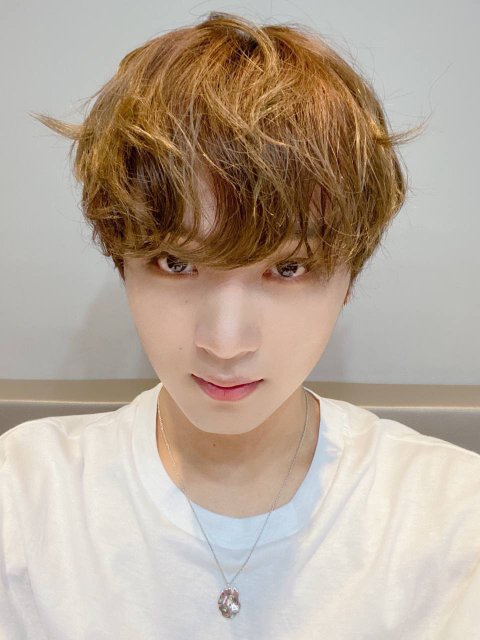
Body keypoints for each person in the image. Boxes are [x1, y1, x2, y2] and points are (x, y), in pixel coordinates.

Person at [1, 10, 479, 639]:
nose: (224, 343)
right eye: (176, 263)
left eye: (288, 269)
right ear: (122, 263)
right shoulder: (23, 503)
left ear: (349, 278)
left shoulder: (452, 522)